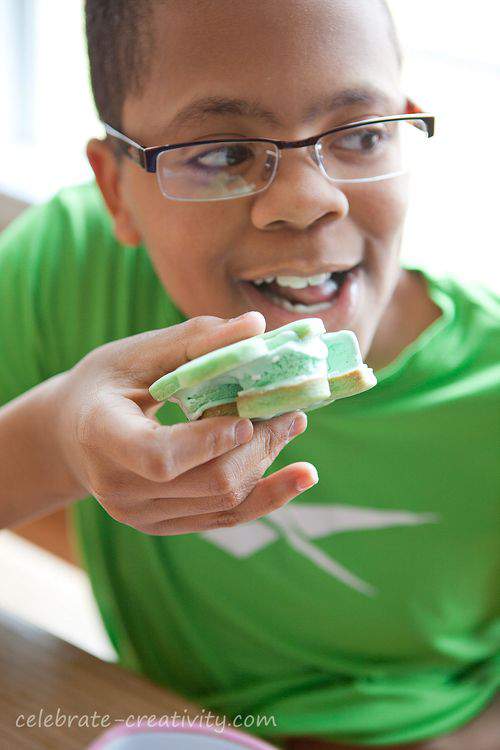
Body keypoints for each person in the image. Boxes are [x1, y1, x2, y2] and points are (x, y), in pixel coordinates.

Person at [0, 1, 499, 747]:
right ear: (117, 191)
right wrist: (57, 438)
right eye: (222, 153)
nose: (308, 199)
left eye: (360, 136)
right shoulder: (73, 269)